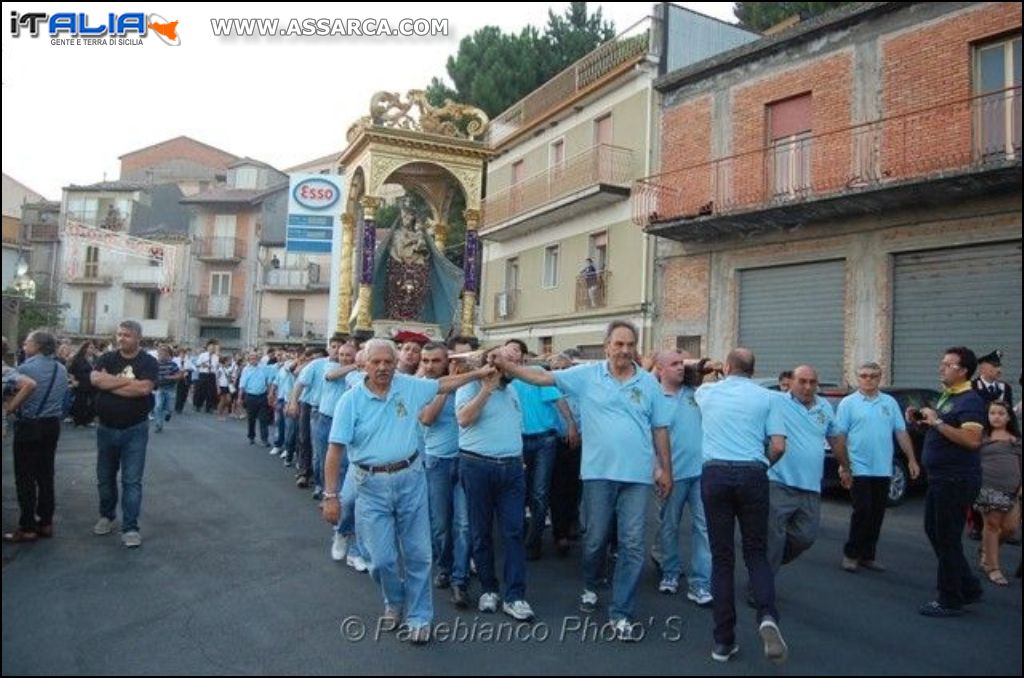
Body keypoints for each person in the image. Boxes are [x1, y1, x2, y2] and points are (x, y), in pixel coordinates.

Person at [493, 321, 672, 642]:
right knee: (595, 539)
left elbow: (659, 428)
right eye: (618, 344)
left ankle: (621, 612)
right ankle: (591, 583)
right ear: (607, 347)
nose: (625, 350)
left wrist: (665, 469)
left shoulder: (648, 383)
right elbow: (543, 377)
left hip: (637, 477)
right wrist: (508, 366)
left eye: (630, 344)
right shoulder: (587, 376)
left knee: (632, 545)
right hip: (598, 475)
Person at [321, 339, 496, 644]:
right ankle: (394, 600)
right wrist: (331, 495)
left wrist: (478, 373)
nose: (383, 368)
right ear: (365, 365)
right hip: (370, 486)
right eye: (376, 362)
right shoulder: (350, 402)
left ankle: (419, 617)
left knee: (418, 555)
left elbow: (442, 384)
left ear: (395, 363)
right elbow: (335, 451)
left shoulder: (409, 386)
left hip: (411, 479)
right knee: (381, 560)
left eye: (388, 362)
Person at [694, 348, 788, 664]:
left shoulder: (707, 392)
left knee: (722, 558)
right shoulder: (769, 398)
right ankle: (767, 615)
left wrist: (712, 370)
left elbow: (697, 378)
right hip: (752, 472)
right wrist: (764, 466)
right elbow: (777, 445)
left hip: (715, 472)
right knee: (756, 552)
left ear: (729, 366)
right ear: (752, 369)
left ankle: (723, 641)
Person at [456, 346, 535, 622]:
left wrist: (521, 458)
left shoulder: (513, 391)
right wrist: (486, 389)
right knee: (481, 532)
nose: (515, 367)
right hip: (477, 465)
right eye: (509, 362)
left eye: (518, 362)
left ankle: (515, 596)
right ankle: (489, 589)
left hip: (512, 468)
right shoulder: (468, 388)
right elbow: (464, 420)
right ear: (493, 362)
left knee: (514, 532)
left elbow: (515, 428)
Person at [834, 362, 919, 572]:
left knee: (877, 513)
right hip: (858, 467)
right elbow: (840, 437)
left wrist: (912, 459)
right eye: (863, 376)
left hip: (882, 468)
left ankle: (868, 555)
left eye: (873, 376)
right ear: (857, 378)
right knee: (862, 510)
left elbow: (900, 432)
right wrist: (843, 466)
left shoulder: (889, 403)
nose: (868, 379)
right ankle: (851, 554)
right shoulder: (848, 404)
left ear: (879, 378)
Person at [767, 366, 844, 575]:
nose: (808, 387)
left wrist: (846, 467)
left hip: (810, 486)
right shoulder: (775, 401)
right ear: (790, 382)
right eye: (802, 381)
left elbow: (835, 438)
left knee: (805, 537)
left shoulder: (825, 407)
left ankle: (763, 565)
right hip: (778, 483)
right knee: (772, 538)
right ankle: (761, 584)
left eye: (812, 382)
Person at [90, 320, 159, 548]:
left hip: (135, 429)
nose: (121, 339)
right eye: (119, 334)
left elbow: (144, 389)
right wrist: (128, 383)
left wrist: (110, 383)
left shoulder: (148, 361)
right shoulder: (107, 358)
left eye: (127, 335)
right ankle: (107, 516)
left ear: (138, 337)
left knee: (132, 480)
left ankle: (130, 528)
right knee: (105, 477)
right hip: (106, 428)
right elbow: (95, 379)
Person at [652, 350, 712, 606]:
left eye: (681, 364)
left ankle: (700, 583)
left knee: (704, 529)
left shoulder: (696, 395)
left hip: (700, 473)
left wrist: (696, 365)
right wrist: (657, 469)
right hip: (671, 475)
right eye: (674, 364)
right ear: (660, 369)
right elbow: (648, 438)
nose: (679, 368)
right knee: (669, 525)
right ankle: (670, 572)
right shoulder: (653, 397)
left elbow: (704, 368)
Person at [418, 342, 472, 608]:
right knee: (440, 524)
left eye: (435, 361)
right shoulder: (418, 387)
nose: (430, 366)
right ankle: (445, 566)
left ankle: (459, 580)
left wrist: (457, 378)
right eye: (425, 361)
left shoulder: (464, 383)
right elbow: (427, 418)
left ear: (446, 361)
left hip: (466, 460)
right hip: (437, 461)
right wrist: (444, 386)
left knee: (463, 524)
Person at [2, 331, 68, 543]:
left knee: (25, 477)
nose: (24, 344)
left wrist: (10, 408)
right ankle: (46, 522)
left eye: (27, 341)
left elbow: (13, 393)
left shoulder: (25, 369)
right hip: (52, 425)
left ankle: (28, 526)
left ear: (37, 346)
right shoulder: (61, 368)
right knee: (45, 475)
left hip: (29, 425)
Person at [975, 400, 1021, 587]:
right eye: (992, 413)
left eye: (1001, 413)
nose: (996, 416)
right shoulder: (982, 437)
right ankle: (993, 567)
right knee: (992, 525)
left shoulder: (1015, 439)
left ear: (1009, 417)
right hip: (988, 487)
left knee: (1010, 528)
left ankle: (986, 549)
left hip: (1013, 490)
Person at [386, 208, 431, 320]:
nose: (407, 219)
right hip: (400, 269)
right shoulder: (397, 233)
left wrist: (418, 242)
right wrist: (412, 242)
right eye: (405, 216)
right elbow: (398, 250)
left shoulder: (419, 234)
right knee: (399, 294)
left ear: (413, 218)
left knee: (415, 295)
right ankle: (397, 316)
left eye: (409, 216)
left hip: (417, 269)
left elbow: (424, 251)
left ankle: (414, 317)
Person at [153, 346, 181, 433]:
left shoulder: (173, 364)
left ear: (167, 354)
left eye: (162, 353)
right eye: (159, 353)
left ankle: (169, 413)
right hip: (160, 388)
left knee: (169, 408)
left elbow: (179, 375)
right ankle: (158, 425)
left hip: (170, 389)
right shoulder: (155, 364)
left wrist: (169, 377)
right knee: (158, 407)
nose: (160, 355)